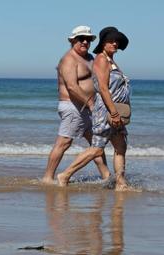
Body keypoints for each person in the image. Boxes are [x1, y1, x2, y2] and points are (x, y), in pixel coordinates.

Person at [57, 27, 131, 191]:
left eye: (117, 41)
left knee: (120, 147)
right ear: (103, 43)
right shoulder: (101, 60)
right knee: (97, 150)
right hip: (106, 112)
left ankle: (121, 184)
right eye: (111, 40)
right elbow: (103, 89)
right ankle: (65, 175)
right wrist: (114, 112)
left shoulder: (111, 60)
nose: (115, 43)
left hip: (114, 111)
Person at [42, 25, 110, 184]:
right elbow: (72, 87)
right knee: (63, 143)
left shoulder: (90, 58)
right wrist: (91, 104)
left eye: (88, 39)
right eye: (81, 38)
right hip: (73, 107)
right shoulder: (68, 60)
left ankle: (107, 177)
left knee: (96, 143)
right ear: (73, 40)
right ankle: (47, 178)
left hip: (87, 108)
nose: (85, 42)